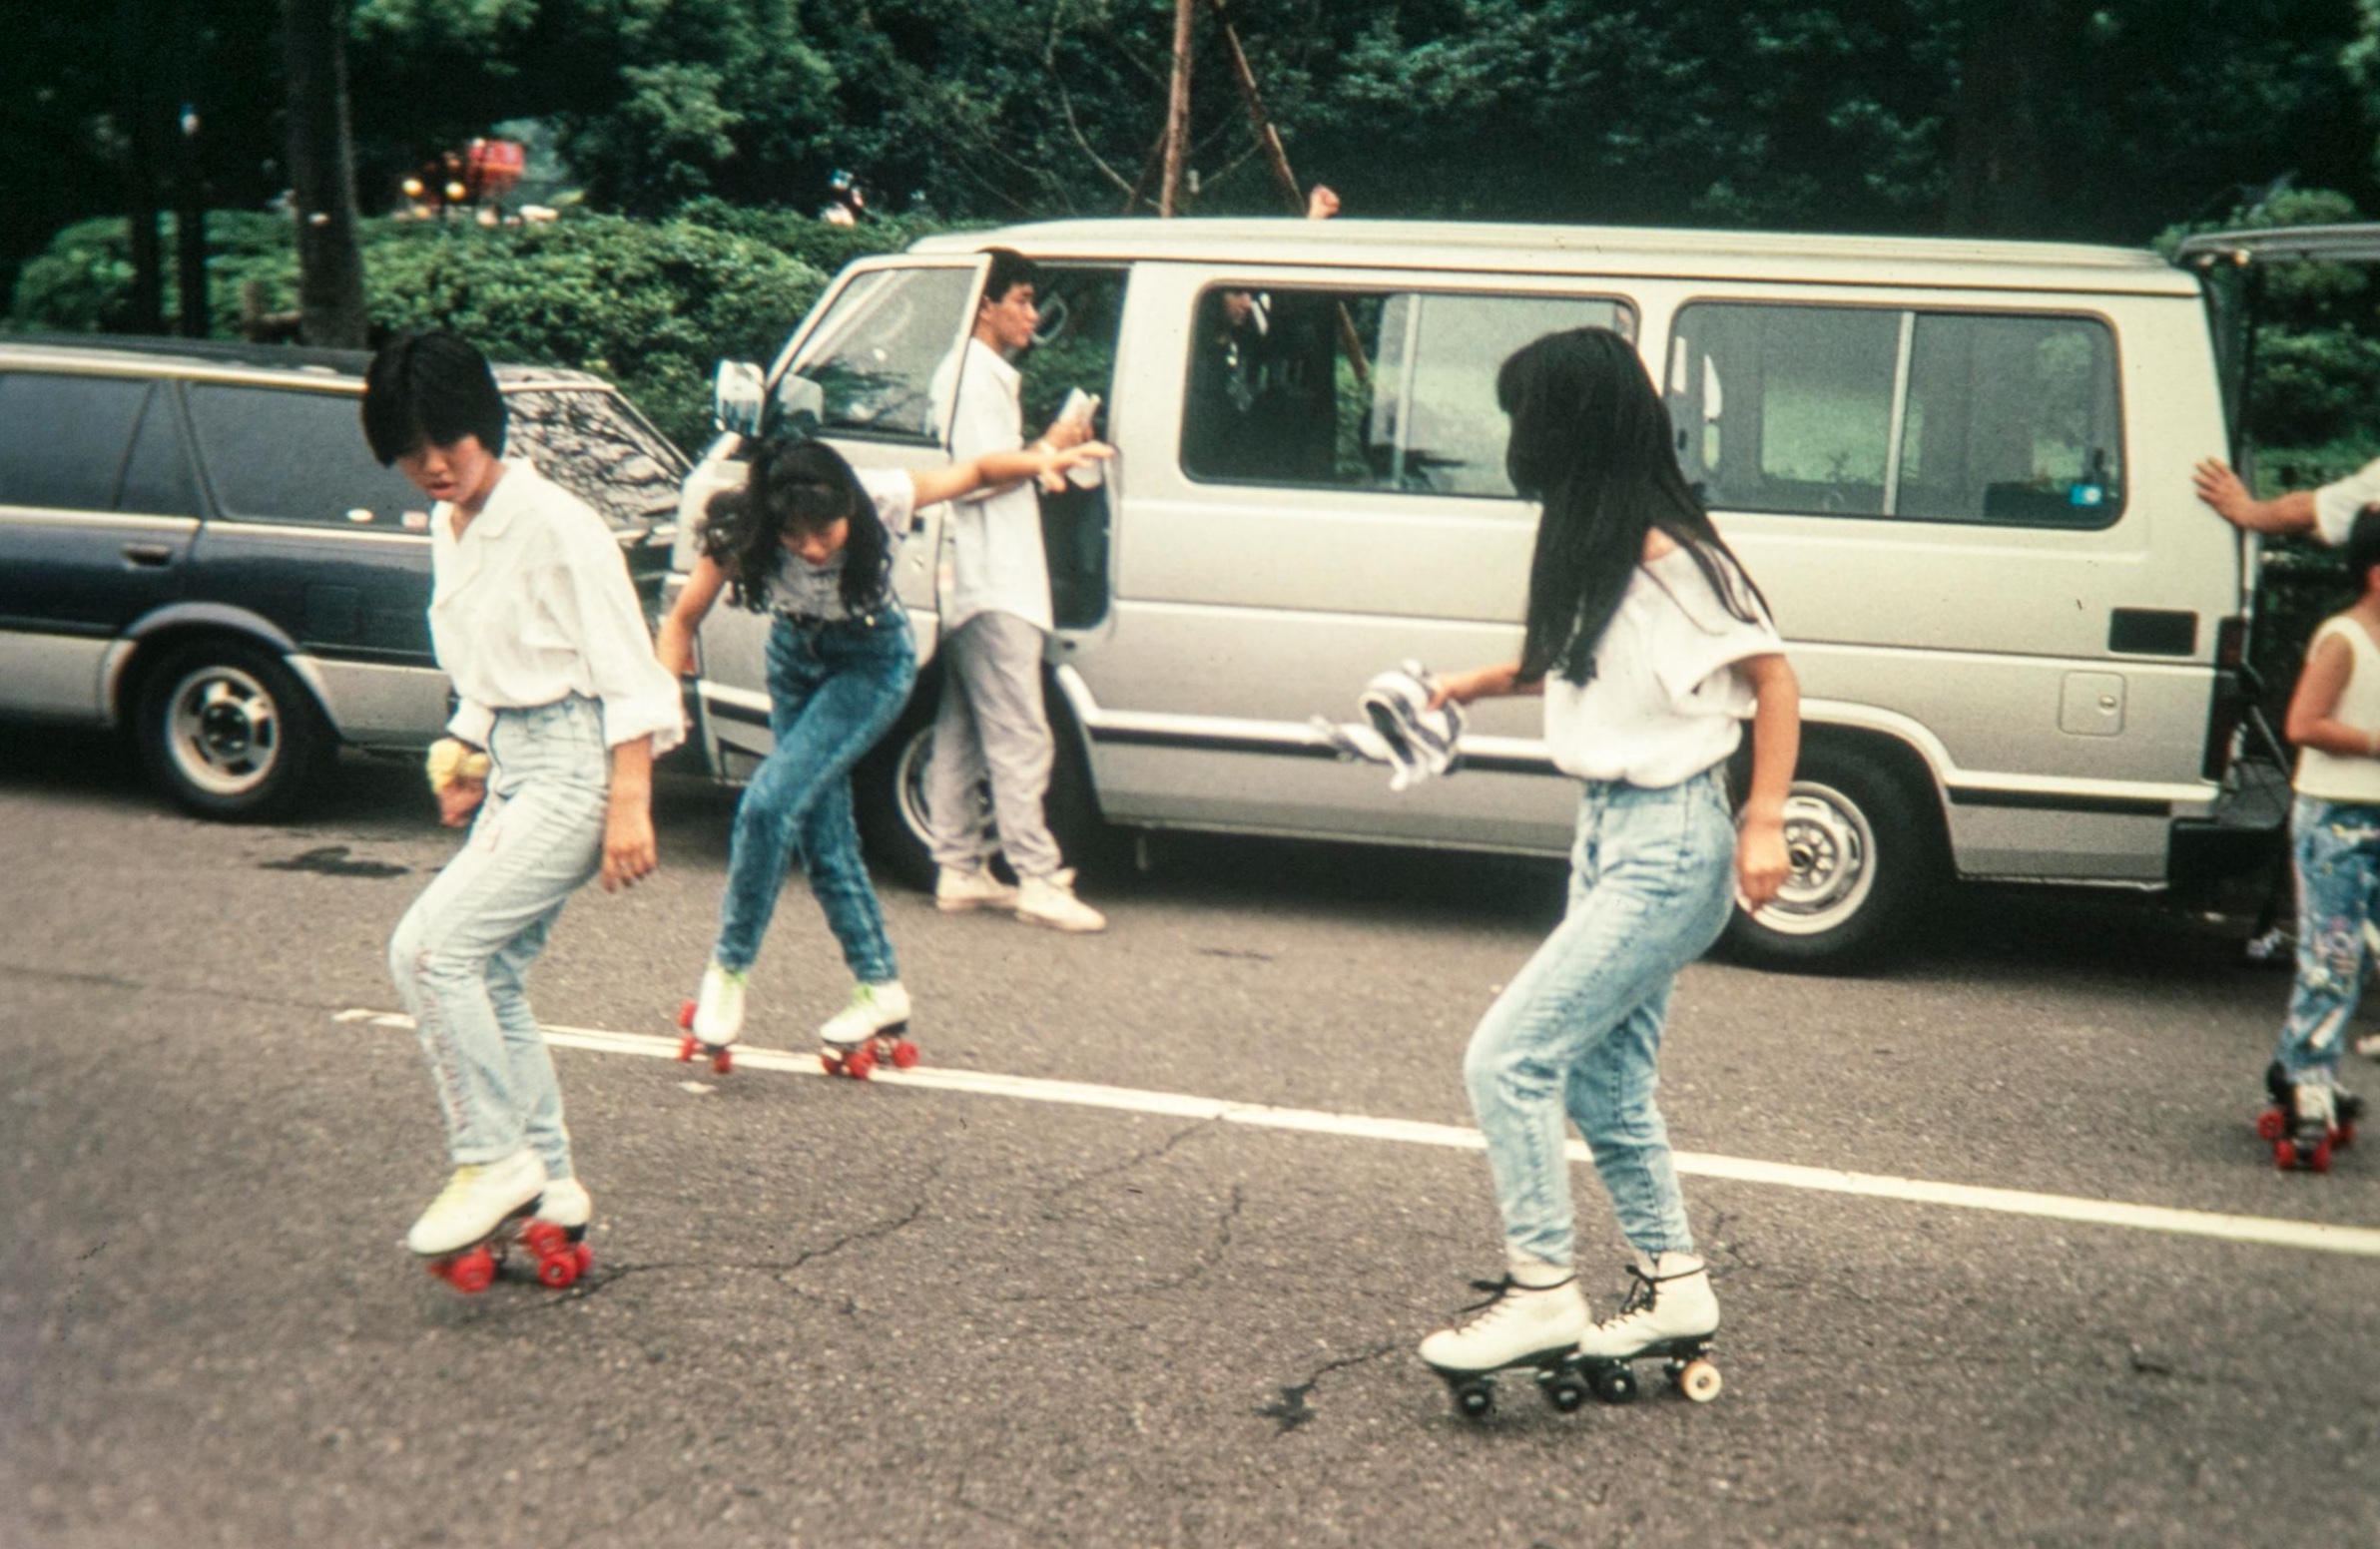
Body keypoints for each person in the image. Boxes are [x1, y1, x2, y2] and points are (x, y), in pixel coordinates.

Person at [1413, 327, 1800, 1394]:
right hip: (1610, 833)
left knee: (1508, 1057)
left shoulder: (1675, 558)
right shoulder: (1603, 541)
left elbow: (1774, 679)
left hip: (1670, 843)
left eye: (1524, 416)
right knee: (1606, 1083)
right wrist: (1467, 684)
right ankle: (1675, 1286)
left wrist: (1765, 818)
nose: (1516, 439)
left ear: (1569, 425)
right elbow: (1576, 657)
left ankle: (1542, 1291)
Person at [365, 331, 684, 1277]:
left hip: (579, 767)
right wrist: (467, 749)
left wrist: (631, 804)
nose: (432, 465)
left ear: (487, 424)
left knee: (429, 952)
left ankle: (492, 1158)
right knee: (490, 974)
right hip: (516, 760)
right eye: (409, 449)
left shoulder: (557, 525)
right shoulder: (450, 523)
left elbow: (630, 674)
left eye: (448, 441)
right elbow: (488, 665)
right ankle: (550, 1185)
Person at [658, 433, 1113, 1063]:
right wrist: (662, 700)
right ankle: (879, 987)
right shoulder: (746, 523)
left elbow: (978, 470)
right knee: (821, 834)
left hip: (870, 663)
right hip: (793, 663)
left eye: (825, 531)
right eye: (794, 536)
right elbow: (682, 619)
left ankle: (727, 973)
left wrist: (1041, 460)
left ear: (848, 507)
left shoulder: (881, 497)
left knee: (767, 805)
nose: (812, 549)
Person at [923, 248, 1106, 931]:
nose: (1033, 316)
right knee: (1022, 734)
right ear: (986, 305)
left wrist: (1046, 449)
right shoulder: (974, 377)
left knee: (964, 727)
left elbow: (995, 468)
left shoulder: (978, 374)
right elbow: (980, 477)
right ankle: (1035, 876)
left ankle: (958, 867)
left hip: (984, 579)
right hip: (994, 579)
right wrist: (1050, 448)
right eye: (1022, 300)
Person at [2260, 507, 2380, 1165]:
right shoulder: (2344, 638)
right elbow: (2303, 723)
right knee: (2331, 957)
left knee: (2361, 957)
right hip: (2336, 819)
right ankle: (2307, 1080)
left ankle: (2298, 1065)